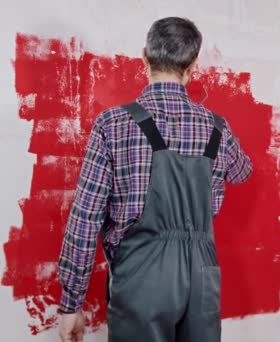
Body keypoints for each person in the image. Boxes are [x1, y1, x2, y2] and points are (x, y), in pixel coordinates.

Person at [57, 17, 252, 342]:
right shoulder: (218, 128)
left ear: (144, 57)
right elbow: (242, 171)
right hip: (202, 279)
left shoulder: (112, 125)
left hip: (141, 278)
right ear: (192, 66)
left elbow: (85, 219)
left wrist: (71, 303)